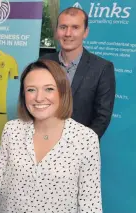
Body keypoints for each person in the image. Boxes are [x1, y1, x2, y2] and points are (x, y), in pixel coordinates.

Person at [0, 59, 102, 213]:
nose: (39, 98)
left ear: (62, 92)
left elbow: (90, 201)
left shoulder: (86, 139)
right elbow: (0, 175)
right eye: (31, 90)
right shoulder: (12, 130)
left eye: (49, 89)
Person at [41, 7, 116, 139]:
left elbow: (102, 118)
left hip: (80, 150)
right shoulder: (43, 62)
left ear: (85, 32)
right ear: (57, 31)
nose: (68, 33)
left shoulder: (102, 68)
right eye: (63, 27)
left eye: (75, 27)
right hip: (43, 142)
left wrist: (80, 146)